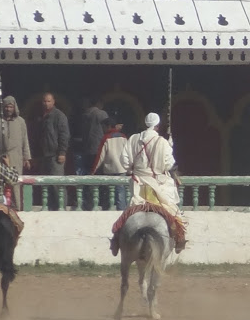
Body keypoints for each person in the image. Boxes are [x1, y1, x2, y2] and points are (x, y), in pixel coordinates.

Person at [114, 112, 186, 255]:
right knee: (174, 213)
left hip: (138, 185)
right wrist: (169, 148)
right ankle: (179, 239)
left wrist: (133, 169)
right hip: (158, 185)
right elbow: (168, 164)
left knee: (128, 213)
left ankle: (116, 240)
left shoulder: (133, 139)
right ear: (157, 126)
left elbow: (125, 161)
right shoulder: (162, 142)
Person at [36, 92, 70, 210]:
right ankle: (49, 207)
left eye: (49, 101)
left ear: (53, 101)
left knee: (57, 183)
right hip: (45, 155)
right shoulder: (43, 117)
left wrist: (62, 152)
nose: (46, 103)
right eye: (44, 101)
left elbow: (64, 135)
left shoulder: (59, 116)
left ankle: (62, 207)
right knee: (46, 183)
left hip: (56, 155)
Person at [91, 117, 128, 211]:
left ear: (107, 127)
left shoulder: (106, 138)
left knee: (108, 194)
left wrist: (93, 171)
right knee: (121, 193)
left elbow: (100, 157)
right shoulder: (123, 137)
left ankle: (107, 212)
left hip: (110, 170)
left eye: (103, 127)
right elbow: (128, 153)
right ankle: (122, 213)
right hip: (122, 169)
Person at [1, 96, 31, 210]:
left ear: (14, 107)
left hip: (17, 157)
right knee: (2, 184)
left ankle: (18, 208)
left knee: (16, 183)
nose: (8, 109)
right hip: (1, 158)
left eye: (10, 106)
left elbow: (25, 140)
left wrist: (26, 158)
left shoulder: (20, 122)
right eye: (6, 106)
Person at [80, 98, 108, 175]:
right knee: (99, 173)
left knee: (88, 172)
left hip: (86, 148)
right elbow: (107, 128)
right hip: (99, 148)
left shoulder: (84, 115)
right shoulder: (101, 114)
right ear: (99, 103)